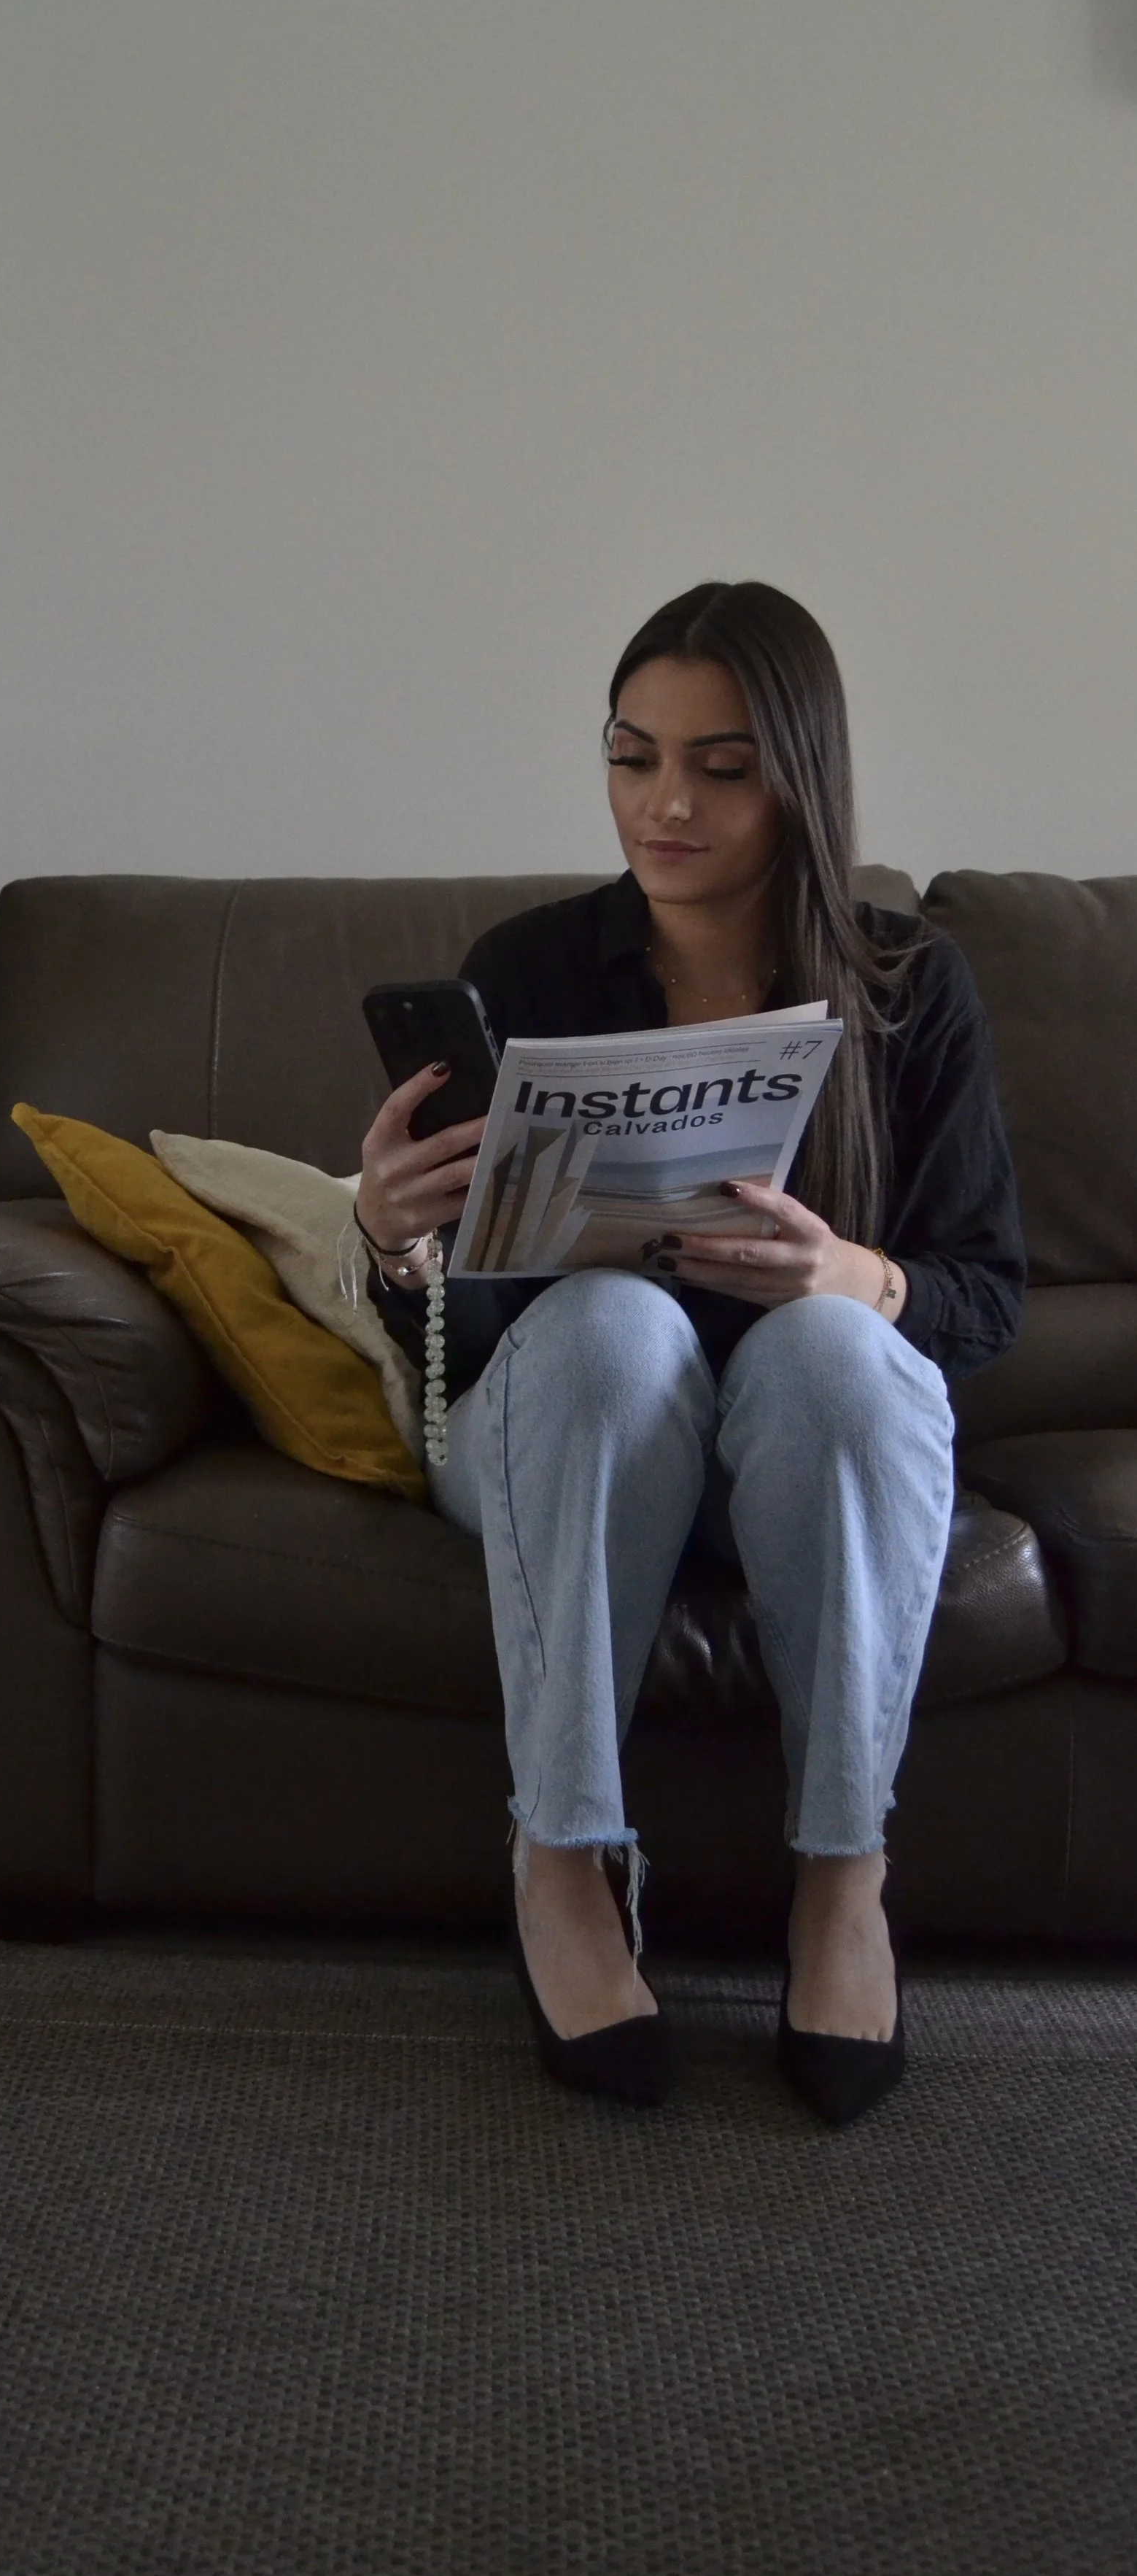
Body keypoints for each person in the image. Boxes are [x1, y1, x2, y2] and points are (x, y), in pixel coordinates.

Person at [357, 583, 1022, 2122]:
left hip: (799, 1452)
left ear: (797, 772)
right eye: (629, 753)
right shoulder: (524, 968)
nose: (662, 804)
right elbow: (460, 1323)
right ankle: (565, 1859)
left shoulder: (907, 985)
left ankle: (842, 1877)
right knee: (606, 1320)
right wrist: (399, 1235)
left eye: (719, 767)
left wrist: (845, 1270)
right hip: (568, 1420)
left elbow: (985, 1299)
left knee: (830, 1352)